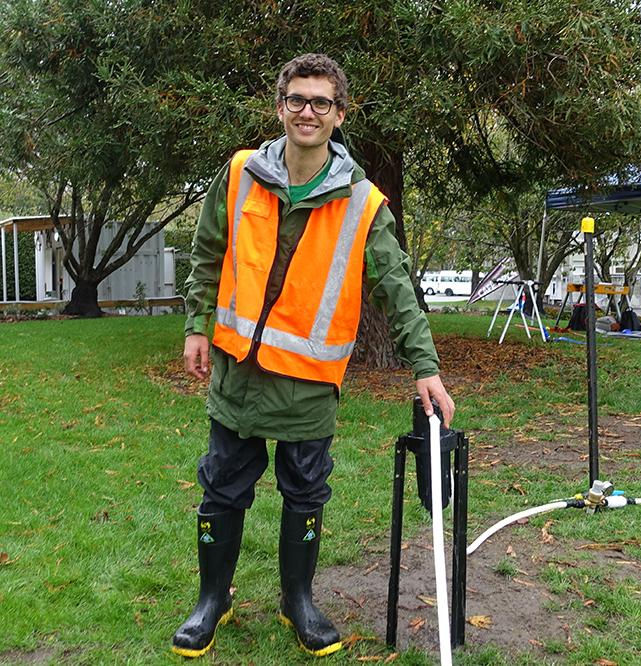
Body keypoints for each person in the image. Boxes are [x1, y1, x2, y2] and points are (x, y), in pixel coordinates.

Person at [173, 53, 455, 658]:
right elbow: (207, 251)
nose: (308, 111)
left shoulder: (362, 200)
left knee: (305, 492)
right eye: (297, 100)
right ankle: (211, 599)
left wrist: (425, 367)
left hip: (307, 382)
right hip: (236, 373)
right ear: (280, 108)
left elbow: (397, 286)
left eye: (321, 102)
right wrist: (197, 325)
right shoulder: (241, 172)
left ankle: (297, 600)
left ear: (338, 114)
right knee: (222, 487)